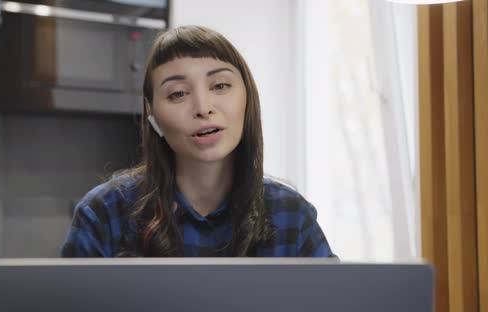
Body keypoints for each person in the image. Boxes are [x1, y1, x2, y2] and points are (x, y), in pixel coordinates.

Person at [61, 25, 336, 257]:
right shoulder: (104, 213)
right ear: (152, 114)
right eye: (178, 94)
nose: (203, 107)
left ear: (248, 98)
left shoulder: (291, 214)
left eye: (220, 86)